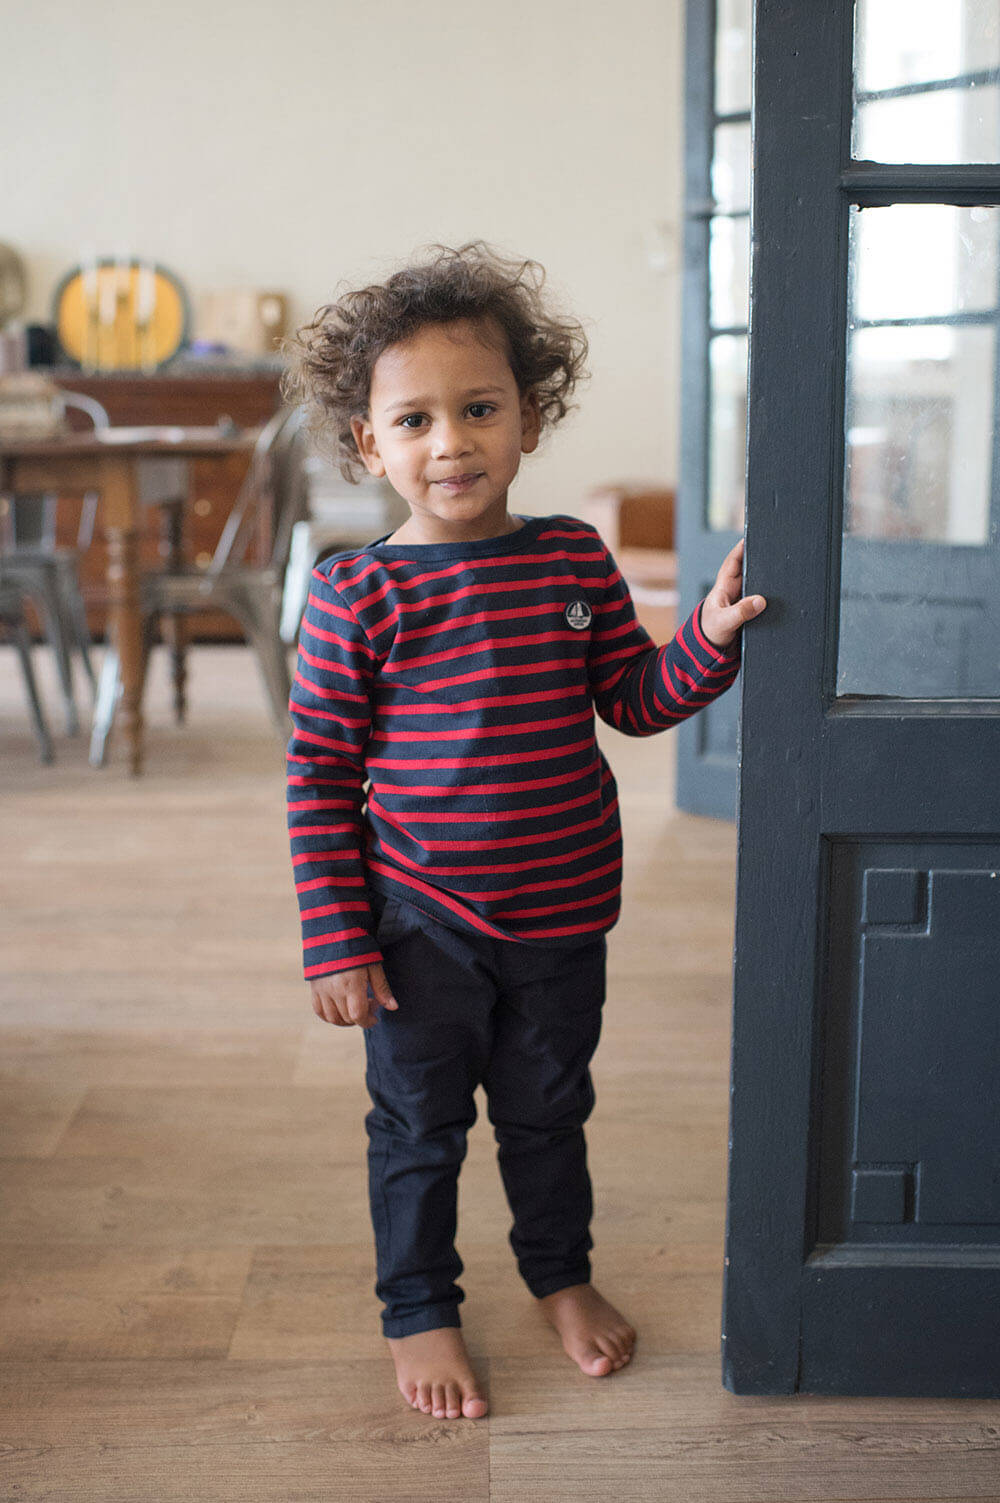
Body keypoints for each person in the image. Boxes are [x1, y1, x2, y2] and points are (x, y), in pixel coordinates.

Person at [281, 241, 766, 1423]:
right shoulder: (359, 598)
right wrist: (338, 939)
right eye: (415, 420)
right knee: (419, 1127)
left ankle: (559, 1275)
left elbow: (633, 700)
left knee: (551, 1113)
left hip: (560, 921)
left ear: (530, 420)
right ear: (369, 445)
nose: (450, 442)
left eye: (479, 408)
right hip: (418, 926)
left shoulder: (571, 559)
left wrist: (706, 635)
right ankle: (421, 1307)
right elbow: (317, 780)